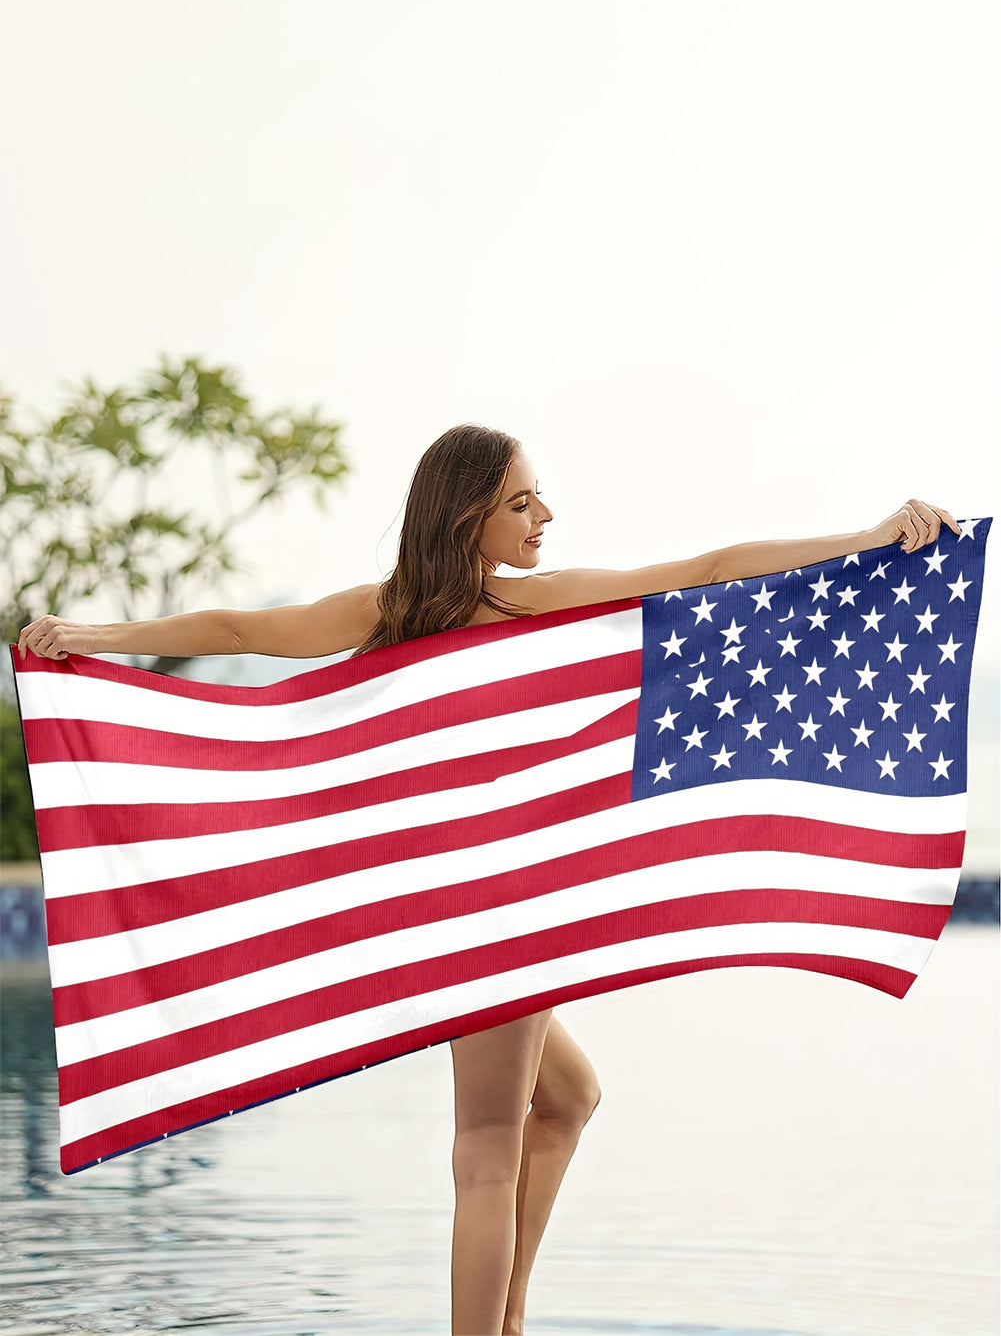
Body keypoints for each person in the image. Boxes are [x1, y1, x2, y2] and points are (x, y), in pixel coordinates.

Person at [16, 423, 960, 1336]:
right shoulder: (516, 604)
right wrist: (868, 538)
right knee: (484, 1152)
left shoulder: (392, 607)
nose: (542, 514)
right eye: (520, 501)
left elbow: (241, 628)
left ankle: (505, 1322)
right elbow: (707, 567)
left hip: (460, 899)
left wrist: (94, 632)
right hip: (490, 909)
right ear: (469, 516)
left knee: (569, 1099)